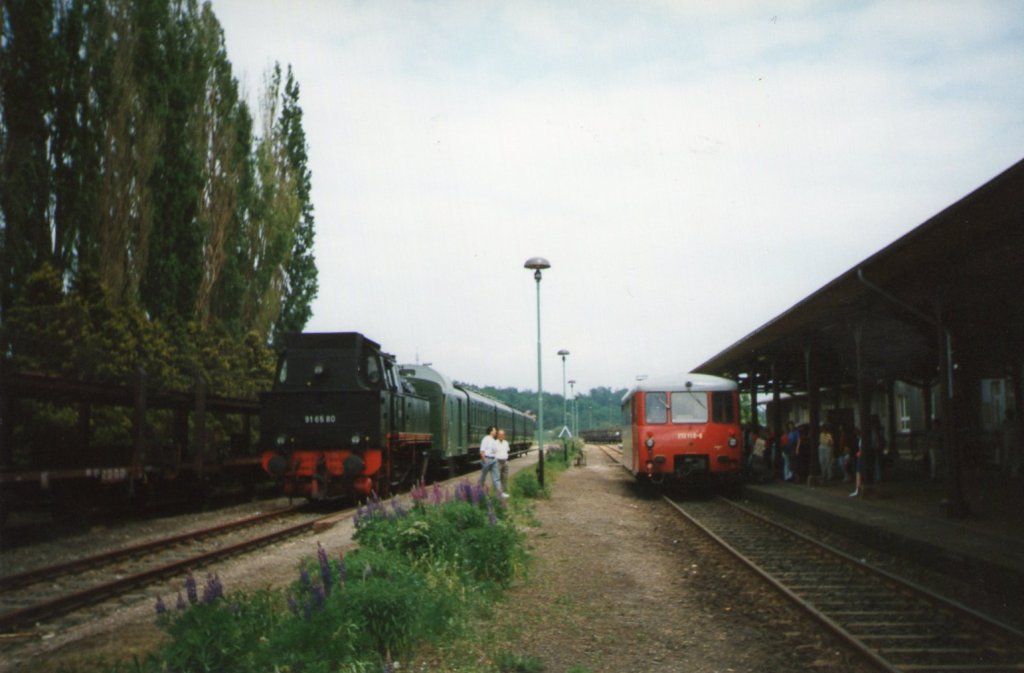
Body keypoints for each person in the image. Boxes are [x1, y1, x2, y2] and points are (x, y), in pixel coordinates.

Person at [478, 426, 502, 493]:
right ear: (491, 431)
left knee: (496, 478)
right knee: (483, 477)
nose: (496, 431)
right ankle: (478, 491)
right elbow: (482, 451)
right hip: (487, 459)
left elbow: (495, 451)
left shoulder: (493, 440)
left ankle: (499, 493)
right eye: (495, 430)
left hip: (494, 460)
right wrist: (484, 460)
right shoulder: (485, 439)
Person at [495, 429, 511, 498]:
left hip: (505, 462)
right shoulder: (495, 443)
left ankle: (503, 492)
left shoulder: (506, 443)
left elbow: (507, 451)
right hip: (498, 462)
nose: (501, 436)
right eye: (500, 435)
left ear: (504, 436)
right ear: (497, 435)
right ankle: (498, 493)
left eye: (502, 435)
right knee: (498, 478)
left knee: (505, 478)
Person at [850, 427, 864, 497]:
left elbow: (862, 449)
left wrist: (859, 453)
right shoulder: (860, 439)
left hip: (861, 457)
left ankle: (858, 489)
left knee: (859, 472)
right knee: (858, 472)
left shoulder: (862, 439)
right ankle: (858, 488)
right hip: (860, 456)